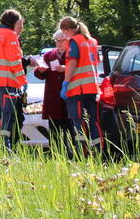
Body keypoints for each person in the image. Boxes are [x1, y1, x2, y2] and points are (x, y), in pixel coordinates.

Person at [59, 16, 102, 154]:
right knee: (94, 121)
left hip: (78, 89)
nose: (64, 36)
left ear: (69, 29)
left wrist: (65, 83)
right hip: (92, 88)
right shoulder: (92, 41)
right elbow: (96, 63)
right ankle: (98, 151)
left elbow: (72, 63)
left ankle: (81, 153)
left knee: (79, 121)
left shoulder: (74, 42)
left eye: (65, 33)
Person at [0, 9, 27, 149]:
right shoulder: (10, 35)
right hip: (7, 82)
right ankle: (5, 146)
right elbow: (15, 60)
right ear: (14, 22)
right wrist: (23, 81)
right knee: (8, 114)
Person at [34, 30, 74, 149]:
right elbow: (40, 75)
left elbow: (78, 70)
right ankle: (56, 155)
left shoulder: (72, 54)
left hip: (69, 97)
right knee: (54, 130)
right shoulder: (48, 55)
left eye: (62, 40)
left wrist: (65, 69)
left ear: (68, 41)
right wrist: (39, 71)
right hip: (53, 99)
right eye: (57, 40)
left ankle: (73, 154)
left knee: (71, 129)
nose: (59, 43)